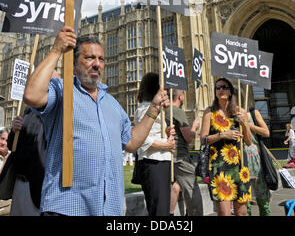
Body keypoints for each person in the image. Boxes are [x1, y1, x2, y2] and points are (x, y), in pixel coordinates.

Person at [23, 26, 170, 216]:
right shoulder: (62, 90)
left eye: (101, 59)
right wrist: (57, 50)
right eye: (89, 57)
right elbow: (32, 95)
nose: (96, 64)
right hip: (67, 207)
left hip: (109, 210)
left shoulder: (112, 103)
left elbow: (132, 143)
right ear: (74, 63)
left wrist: (154, 110)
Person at [200, 78, 252, 216]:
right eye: (217, 88)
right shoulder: (209, 112)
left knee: (241, 213)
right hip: (219, 166)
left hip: (240, 166)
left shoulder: (240, 111)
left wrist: (245, 124)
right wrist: (222, 135)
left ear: (230, 91)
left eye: (223, 87)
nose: (220, 90)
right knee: (224, 213)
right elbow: (203, 140)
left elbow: (249, 141)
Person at [134, 72, 175, 216]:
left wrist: (167, 132)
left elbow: (155, 134)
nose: (165, 92)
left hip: (161, 162)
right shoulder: (145, 109)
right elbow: (142, 140)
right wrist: (166, 145)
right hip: (153, 162)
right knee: (159, 211)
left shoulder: (158, 109)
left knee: (161, 209)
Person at [165, 89, 202, 216]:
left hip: (169, 156)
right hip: (179, 157)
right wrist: (195, 127)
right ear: (180, 97)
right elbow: (189, 137)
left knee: (176, 185)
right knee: (192, 188)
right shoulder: (177, 111)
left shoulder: (165, 111)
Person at [7, 107, 46, 215]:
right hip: (18, 183)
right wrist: (14, 131)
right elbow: (12, 145)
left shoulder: (50, 112)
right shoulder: (27, 111)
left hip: (36, 187)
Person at [245, 107, 271, 216]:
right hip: (240, 159)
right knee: (244, 196)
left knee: (262, 195)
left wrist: (249, 125)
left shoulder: (253, 113)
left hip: (256, 158)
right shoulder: (229, 114)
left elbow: (266, 132)